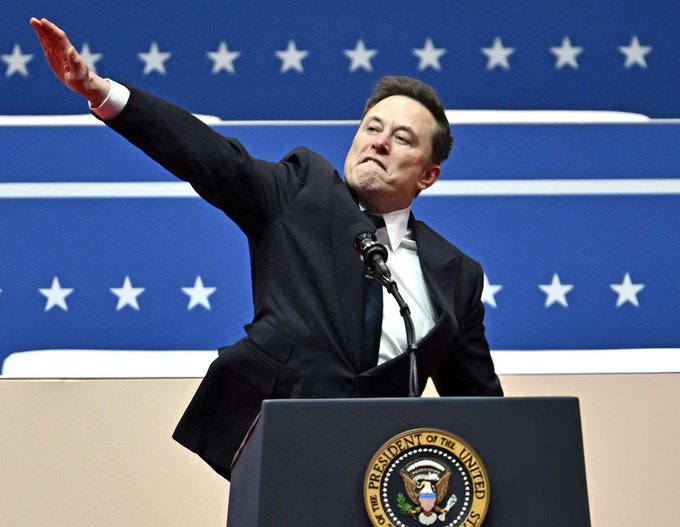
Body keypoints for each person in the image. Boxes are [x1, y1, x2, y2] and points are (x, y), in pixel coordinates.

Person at [30, 17, 503, 480]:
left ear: (428, 175)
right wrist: (100, 92)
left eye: (401, 139)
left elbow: (483, 411)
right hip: (279, 454)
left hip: (385, 477)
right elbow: (210, 156)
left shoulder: (456, 275)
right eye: (371, 128)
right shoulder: (301, 193)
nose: (379, 144)